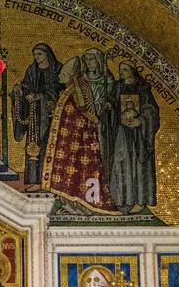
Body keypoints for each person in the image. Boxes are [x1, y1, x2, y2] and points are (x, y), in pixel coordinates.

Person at [42, 48, 117, 209]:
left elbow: (106, 105)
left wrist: (105, 108)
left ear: (99, 61)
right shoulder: (79, 84)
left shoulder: (107, 81)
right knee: (75, 162)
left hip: (98, 129)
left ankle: (94, 199)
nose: (89, 62)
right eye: (87, 59)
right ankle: (72, 201)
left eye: (92, 59)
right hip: (78, 131)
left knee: (97, 162)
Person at [107, 60, 160, 213]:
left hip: (139, 135)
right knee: (120, 161)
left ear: (132, 71)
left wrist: (141, 120)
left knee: (137, 165)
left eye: (124, 69)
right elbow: (112, 103)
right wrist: (109, 106)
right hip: (121, 132)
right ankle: (121, 199)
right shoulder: (117, 87)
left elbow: (152, 111)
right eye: (120, 69)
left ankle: (139, 201)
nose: (121, 72)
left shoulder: (142, 88)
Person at [11, 43, 62, 186]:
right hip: (35, 116)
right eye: (35, 55)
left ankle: (51, 182)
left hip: (53, 116)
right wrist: (20, 93)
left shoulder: (58, 70)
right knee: (33, 147)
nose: (36, 57)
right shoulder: (32, 70)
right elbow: (26, 87)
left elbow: (61, 90)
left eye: (39, 54)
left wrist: (41, 96)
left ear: (47, 54)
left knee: (50, 146)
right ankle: (32, 181)